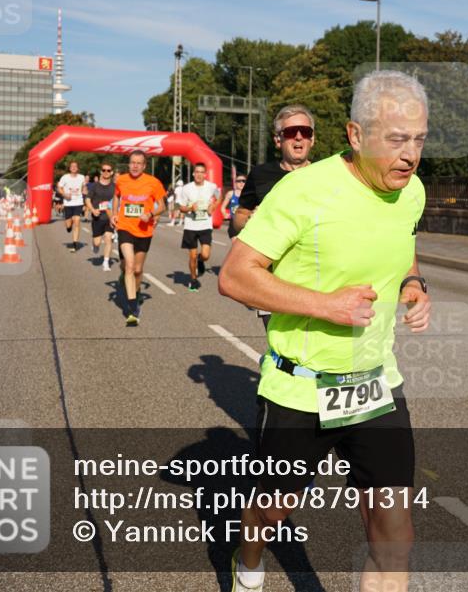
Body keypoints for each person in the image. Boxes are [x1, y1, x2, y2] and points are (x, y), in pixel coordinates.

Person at [218, 71, 431, 592]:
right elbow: (235, 276)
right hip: (302, 385)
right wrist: (325, 307)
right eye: (396, 140)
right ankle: (248, 563)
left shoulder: (412, 193)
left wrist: (413, 284)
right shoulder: (302, 192)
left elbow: (402, 247)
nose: (410, 155)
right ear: (356, 136)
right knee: (270, 513)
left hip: (375, 384)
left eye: (419, 140)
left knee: (394, 534)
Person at [229, 104, 315, 239]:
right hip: (270, 258)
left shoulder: (325, 174)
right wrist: (249, 220)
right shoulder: (259, 174)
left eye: (305, 132)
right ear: (278, 141)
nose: (299, 137)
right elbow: (239, 216)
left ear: (312, 139)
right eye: (291, 132)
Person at [112, 150, 166, 325]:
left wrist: (150, 213)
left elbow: (162, 206)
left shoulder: (153, 182)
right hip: (125, 227)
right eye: (132, 162)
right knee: (128, 265)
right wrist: (114, 214)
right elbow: (116, 196)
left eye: (138, 163)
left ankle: (134, 290)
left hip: (144, 230)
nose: (134, 166)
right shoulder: (121, 180)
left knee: (137, 270)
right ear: (129, 164)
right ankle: (132, 308)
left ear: (144, 166)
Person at [178, 163, 221, 291]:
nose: (199, 174)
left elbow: (219, 197)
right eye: (197, 172)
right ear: (193, 173)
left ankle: (200, 261)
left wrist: (213, 207)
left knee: (206, 255)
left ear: (205, 174)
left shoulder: (211, 187)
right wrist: (190, 208)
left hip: (205, 225)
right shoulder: (186, 188)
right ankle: (193, 279)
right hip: (191, 226)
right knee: (191, 256)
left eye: (202, 172)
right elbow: (181, 207)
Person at [85, 161, 117, 271]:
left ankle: (106, 262)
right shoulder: (95, 186)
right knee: (97, 242)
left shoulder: (115, 187)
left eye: (108, 170)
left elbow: (118, 201)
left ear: (111, 172)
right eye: (104, 170)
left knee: (108, 239)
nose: (106, 172)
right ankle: (95, 245)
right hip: (97, 217)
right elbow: (88, 199)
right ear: (101, 171)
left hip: (109, 217)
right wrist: (93, 210)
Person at [57, 160, 86, 252]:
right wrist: (64, 194)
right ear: (69, 168)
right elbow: (59, 188)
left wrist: (85, 193)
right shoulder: (65, 177)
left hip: (78, 202)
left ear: (78, 168)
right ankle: (69, 227)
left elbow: (84, 188)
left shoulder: (82, 177)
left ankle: (75, 244)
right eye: (72, 166)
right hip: (68, 203)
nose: (73, 167)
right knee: (69, 224)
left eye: (75, 166)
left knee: (77, 220)